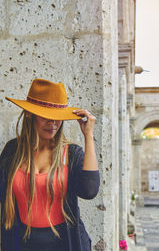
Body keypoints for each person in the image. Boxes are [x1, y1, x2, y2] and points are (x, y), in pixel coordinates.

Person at [0, 78, 100, 251]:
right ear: (30, 114)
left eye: (57, 118)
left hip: (65, 244)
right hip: (20, 243)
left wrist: (88, 136)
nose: (53, 123)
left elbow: (89, 191)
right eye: (46, 116)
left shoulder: (71, 154)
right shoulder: (12, 151)